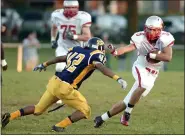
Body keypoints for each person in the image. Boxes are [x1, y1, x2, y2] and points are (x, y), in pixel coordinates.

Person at [2, 37, 127, 132]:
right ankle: (59, 126)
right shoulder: (95, 56)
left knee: (38, 109)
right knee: (85, 110)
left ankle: (11, 116)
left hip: (54, 82)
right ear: (98, 49)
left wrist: (44, 64)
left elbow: (60, 58)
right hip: (65, 88)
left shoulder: (78, 50)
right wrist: (118, 78)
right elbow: (102, 68)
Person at [94, 16, 175, 128]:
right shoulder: (140, 37)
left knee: (127, 101)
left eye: (155, 29)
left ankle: (101, 118)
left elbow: (168, 57)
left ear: (160, 29)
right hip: (140, 66)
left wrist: (152, 55)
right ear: (145, 28)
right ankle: (128, 113)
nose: (152, 32)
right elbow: (128, 47)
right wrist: (116, 51)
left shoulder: (166, 38)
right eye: (150, 29)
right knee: (143, 85)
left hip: (154, 72)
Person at [50, 0, 92, 104]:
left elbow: (87, 36)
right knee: (60, 68)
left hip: (77, 49)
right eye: (68, 7)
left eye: (73, 7)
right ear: (64, 7)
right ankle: (56, 93)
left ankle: (67, 92)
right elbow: (54, 27)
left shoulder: (83, 17)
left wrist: (74, 36)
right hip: (62, 47)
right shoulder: (56, 15)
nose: (71, 10)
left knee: (73, 73)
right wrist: (52, 39)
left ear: (77, 8)